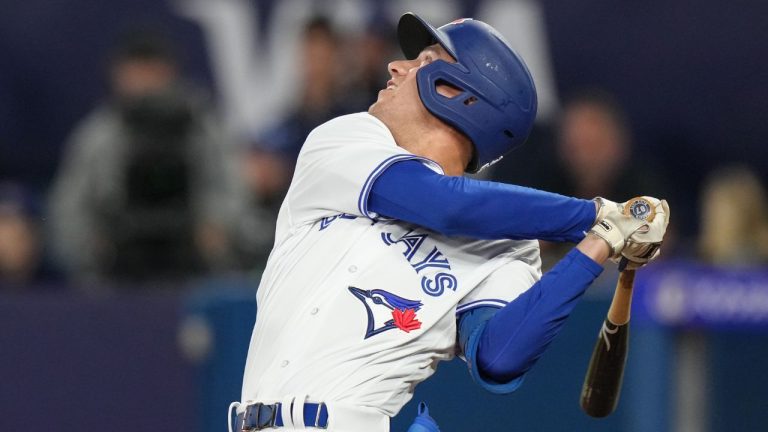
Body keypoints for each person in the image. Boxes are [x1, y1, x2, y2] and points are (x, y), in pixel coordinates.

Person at [229, 13, 669, 432]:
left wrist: (598, 244)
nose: (395, 66)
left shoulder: (507, 246)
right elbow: (444, 204)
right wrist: (594, 214)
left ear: (460, 94)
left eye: (422, 62)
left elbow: (498, 358)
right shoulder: (344, 140)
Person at [48, 31, 241, 283]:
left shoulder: (203, 129)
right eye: (136, 72)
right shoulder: (98, 135)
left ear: (170, 73)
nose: (145, 83)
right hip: (117, 268)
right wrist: (92, 245)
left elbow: (235, 191)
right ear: (118, 75)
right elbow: (67, 209)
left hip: (195, 263)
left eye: (152, 71)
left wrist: (218, 228)